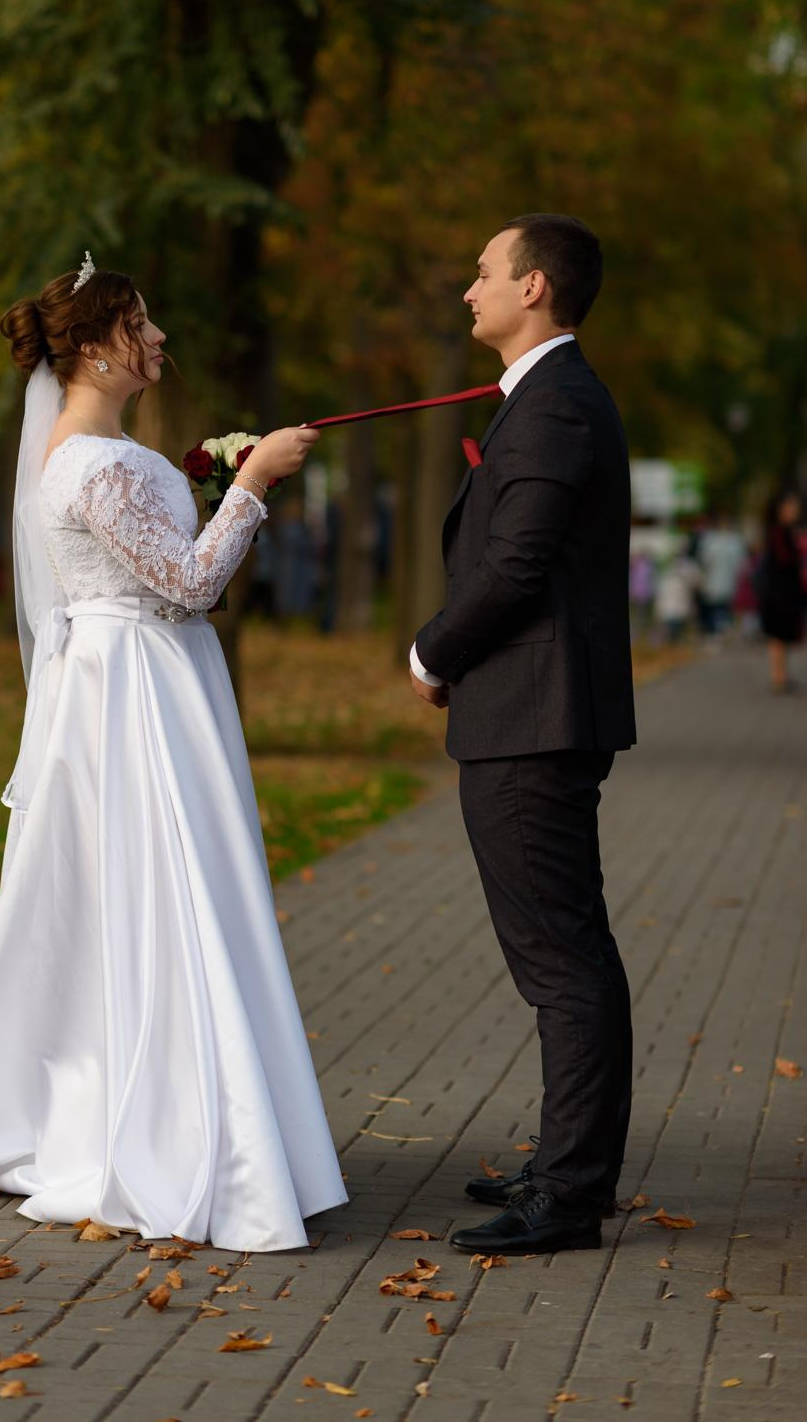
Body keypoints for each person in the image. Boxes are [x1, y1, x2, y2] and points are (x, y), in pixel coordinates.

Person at [0, 256, 347, 1251]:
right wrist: (252, 484)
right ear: (102, 346)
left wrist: (206, 479)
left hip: (150, 682)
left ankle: (193, 1111)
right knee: (155, 894)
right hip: (132, 700)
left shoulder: (114, 452)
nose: (159, 340)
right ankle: (165, 1131)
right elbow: (189, 583)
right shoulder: (91, 462)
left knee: (169, 893)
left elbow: (161, 565)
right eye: (142, 324)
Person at [408, 214, 636, 1256]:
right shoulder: (549, 400)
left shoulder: (556, 407)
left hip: (534, 722)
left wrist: (432, 652)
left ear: (534, 287)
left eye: (485, 271)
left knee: (562, 959)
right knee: (561, 953)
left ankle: (572, 1194)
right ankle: (566, 1162)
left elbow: (515, 566)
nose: (469, 288)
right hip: (528, 710)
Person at [756, 487, 805, 693]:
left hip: (783, 591)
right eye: (791, 505)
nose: (795, 509)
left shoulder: (783, 531)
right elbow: (784, 561)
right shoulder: (779, 532)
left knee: (781, 636)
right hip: (779, 593)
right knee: (778, 636)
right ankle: (778, 677)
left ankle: (781, 676)